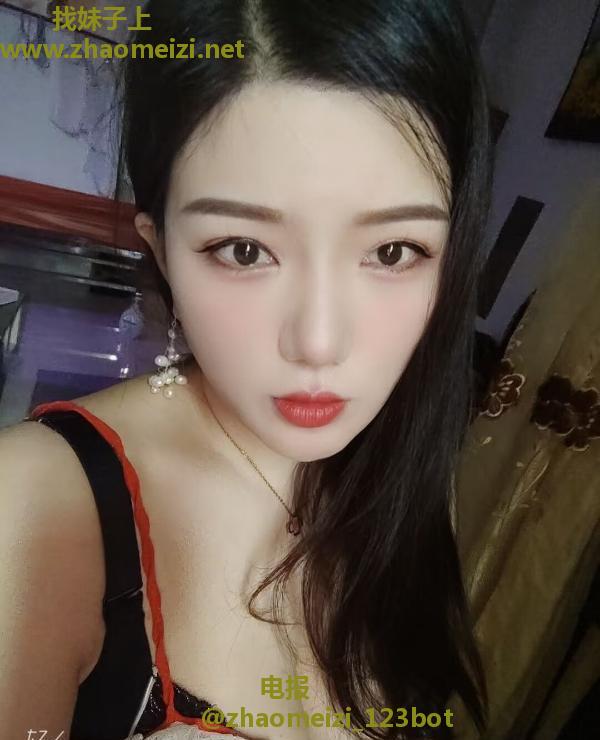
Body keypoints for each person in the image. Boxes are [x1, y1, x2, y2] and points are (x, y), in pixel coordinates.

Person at [0, 1, 493, 738]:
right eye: (244, 250)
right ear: (162, 249)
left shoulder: (403, 471)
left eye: (393, 252)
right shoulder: (35, 507)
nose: (318, 343)